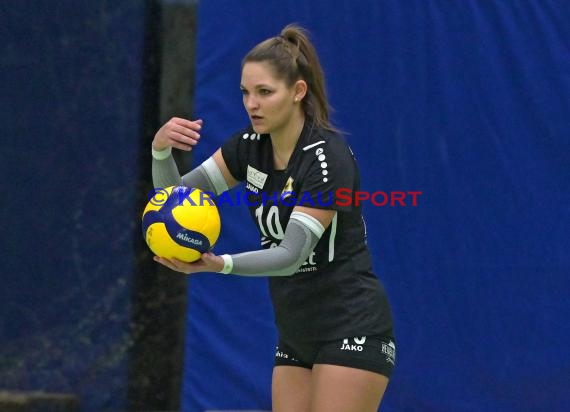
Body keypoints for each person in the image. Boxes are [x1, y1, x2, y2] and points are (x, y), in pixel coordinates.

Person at [150, 24, 396, 412]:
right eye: (246, 93)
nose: (252, 104)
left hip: (352, 325)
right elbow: (174, 202)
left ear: (298, 92)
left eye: (265, 92)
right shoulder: (248, 148)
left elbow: (290, 255)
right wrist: (160, 153)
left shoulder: (326, 158)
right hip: (295, 331)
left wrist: (219, 264)